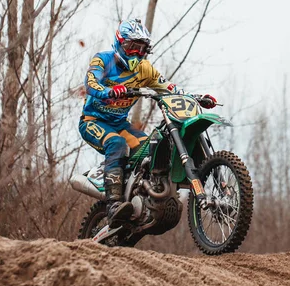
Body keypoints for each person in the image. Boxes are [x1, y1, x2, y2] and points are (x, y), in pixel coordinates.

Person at [79, 18, 217, 228]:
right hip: (93, 121)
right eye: (131, 47)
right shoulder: (103, 60)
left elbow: (168, 88)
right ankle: (114, 204)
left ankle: (142, 195)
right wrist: (108, 91)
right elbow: (90, 83)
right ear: (120, 43)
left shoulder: (145, 70)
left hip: (119, 124)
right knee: (116, 144)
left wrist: (196, 97)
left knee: (150, 148)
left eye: (141, 49)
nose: (135, 53)